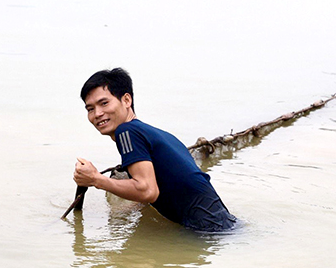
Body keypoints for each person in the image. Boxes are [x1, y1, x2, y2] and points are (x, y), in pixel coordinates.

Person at [73, 68, 237, 232]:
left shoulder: (126, 132)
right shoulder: (158, 134)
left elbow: (147, 191)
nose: (98, 114)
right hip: (224, 224)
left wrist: (95, 179)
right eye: (90, 109)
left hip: (205, 231)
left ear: (126, 100)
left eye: (104, 103)